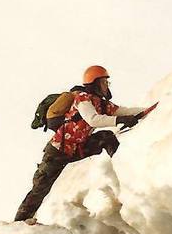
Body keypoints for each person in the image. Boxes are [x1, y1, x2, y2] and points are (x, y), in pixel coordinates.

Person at [14, 65, 146, 224]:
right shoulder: (82, 98)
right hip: (57, 151)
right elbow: (93, 120)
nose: (107, 86)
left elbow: (123, 111)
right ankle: (20, 223)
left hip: (77, 148)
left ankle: (125, 173)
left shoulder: (101, 104)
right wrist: (120, 120)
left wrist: (146, 110)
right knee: (41, 188)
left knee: (107, 137)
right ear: (95, 83)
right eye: (104, 82)